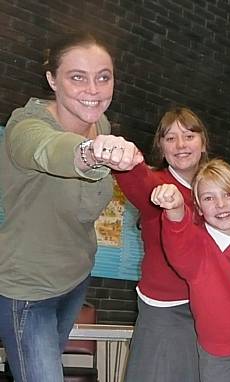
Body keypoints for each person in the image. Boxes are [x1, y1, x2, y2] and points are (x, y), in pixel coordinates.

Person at [0, 32, 143, 382]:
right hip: (27, 291)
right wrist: (91, 152)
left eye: (103, 76)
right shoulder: (26, 126)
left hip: (75, 279)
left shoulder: (101, 124)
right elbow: (48, 149)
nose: (93, 89)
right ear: (52, 79)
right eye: (77, 76)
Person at [151, 159, 230, 382]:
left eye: (228, 194)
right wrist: (175, 208)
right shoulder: (196, 249)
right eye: (209, 198)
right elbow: (178, 235)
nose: (221, 204)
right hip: (221, 355)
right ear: (198, 207)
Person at [114, 106, 209, 382]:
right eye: (170, 138)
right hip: (167, 311)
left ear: (203, 143)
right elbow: (137, 179)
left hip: (210, 310)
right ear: (161, 147)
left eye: (189, 136)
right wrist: (125, 160)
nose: (180, 145)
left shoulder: (216, 189)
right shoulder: (158, 186)